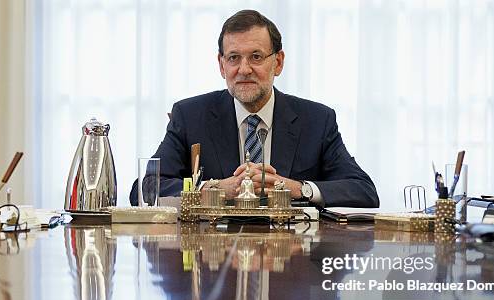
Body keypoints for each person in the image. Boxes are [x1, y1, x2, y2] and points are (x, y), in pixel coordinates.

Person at [130, 9, 379, 207]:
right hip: (213, 259)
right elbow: (144, 188)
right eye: (234, 58)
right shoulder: (190, 115)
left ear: (278, 62)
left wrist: (298, 188)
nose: (244, 69)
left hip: (291, 260)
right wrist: (211, 189)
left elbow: (363, 191)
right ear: (221, 65)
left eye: (256, 57)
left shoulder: (316, 120)